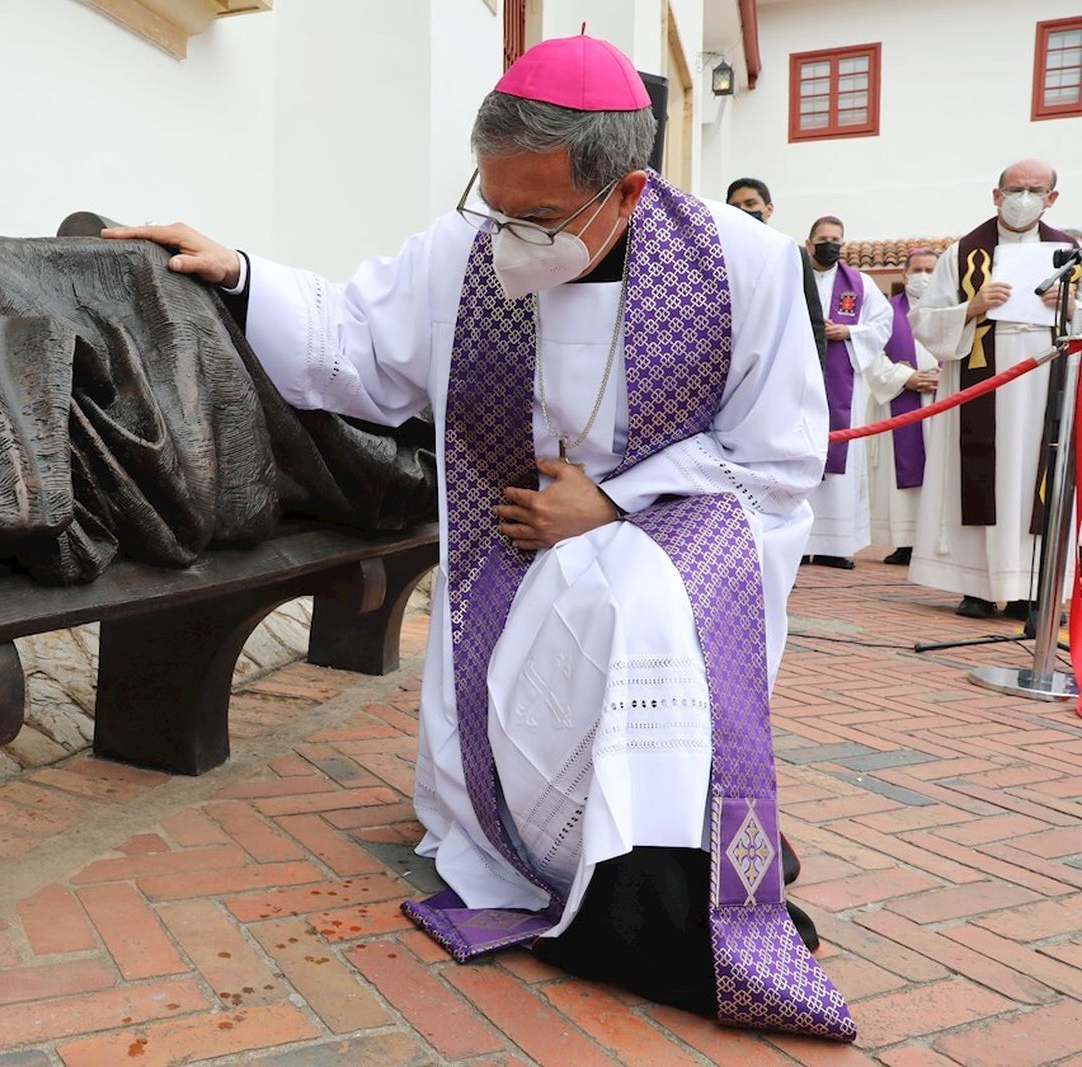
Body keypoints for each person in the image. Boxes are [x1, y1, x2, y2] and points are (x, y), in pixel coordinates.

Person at [105, 34, 854, 1040]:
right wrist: (241, 272)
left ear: (627, 192)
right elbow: (354, 346)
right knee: (587, 612)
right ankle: (556, 848)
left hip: (685, 523)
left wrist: (615, 502)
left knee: (633, 603)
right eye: (493, 205)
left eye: (537, 216)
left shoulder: (744, 262)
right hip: (509, 541)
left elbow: (775, 454)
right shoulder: (466, 253)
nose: (507, 236)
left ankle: (662, 884)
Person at [908, 160, 1080, 620]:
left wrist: (1068, 305)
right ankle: (977, 585)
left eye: (1035, 190)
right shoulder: (962, 252)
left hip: (1046, 377)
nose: (1024, 198)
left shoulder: (1071, 253)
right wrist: (971, 307)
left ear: (1052, 199)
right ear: (996, 195)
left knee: (1032, 476)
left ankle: (1032, 588)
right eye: (1015, 189)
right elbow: (922, 321)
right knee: (984, 468)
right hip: (980, 374)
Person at [803, 216, 895, 568]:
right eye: (823, 238)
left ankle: (834, 545)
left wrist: (848, 332)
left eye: (836, 239)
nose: (831, 245)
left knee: (841, 455)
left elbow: (882, 323)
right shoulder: (795, 277)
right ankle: (802, 541)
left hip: (843, 381)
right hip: (801, 377)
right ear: (809, 243)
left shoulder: (861, 284)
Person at [869, 250, 942, 565]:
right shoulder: (886, 312)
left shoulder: (950, 310)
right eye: (917, 269)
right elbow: (871, 356)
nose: (923, 276)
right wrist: (906, 378)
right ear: (904, 273)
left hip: (943, 401)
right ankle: (906, 543)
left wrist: (945, 376)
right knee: (906, 468)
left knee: (940, 469)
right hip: (902, 398)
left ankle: (935, 542)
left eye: (930, 270)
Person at [727, 177, 827, 364]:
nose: (743, 210)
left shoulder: (791, 254)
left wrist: (816, 369)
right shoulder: (721, 256)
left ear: (769, 209)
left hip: (781, 359)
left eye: (751, 203)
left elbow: (813, 321)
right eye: (735, 206)